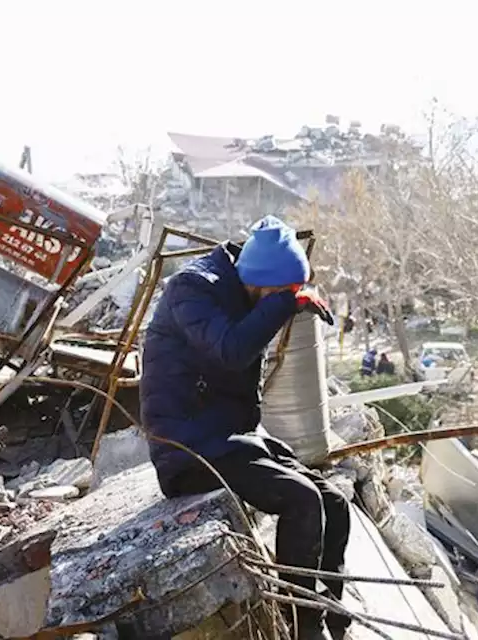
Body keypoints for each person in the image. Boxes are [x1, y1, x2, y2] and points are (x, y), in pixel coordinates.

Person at [140, 216, 351, 640]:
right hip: (186, 446)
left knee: (334, 500)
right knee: (302, 500)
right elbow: (230, 350)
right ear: (258, 280)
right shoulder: (192, 289)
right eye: (277, 292)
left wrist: (282, 297)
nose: (279, 301)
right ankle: (302, 627)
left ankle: (329, 611)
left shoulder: (244, 288)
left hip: (227, 435)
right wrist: (286, 303)